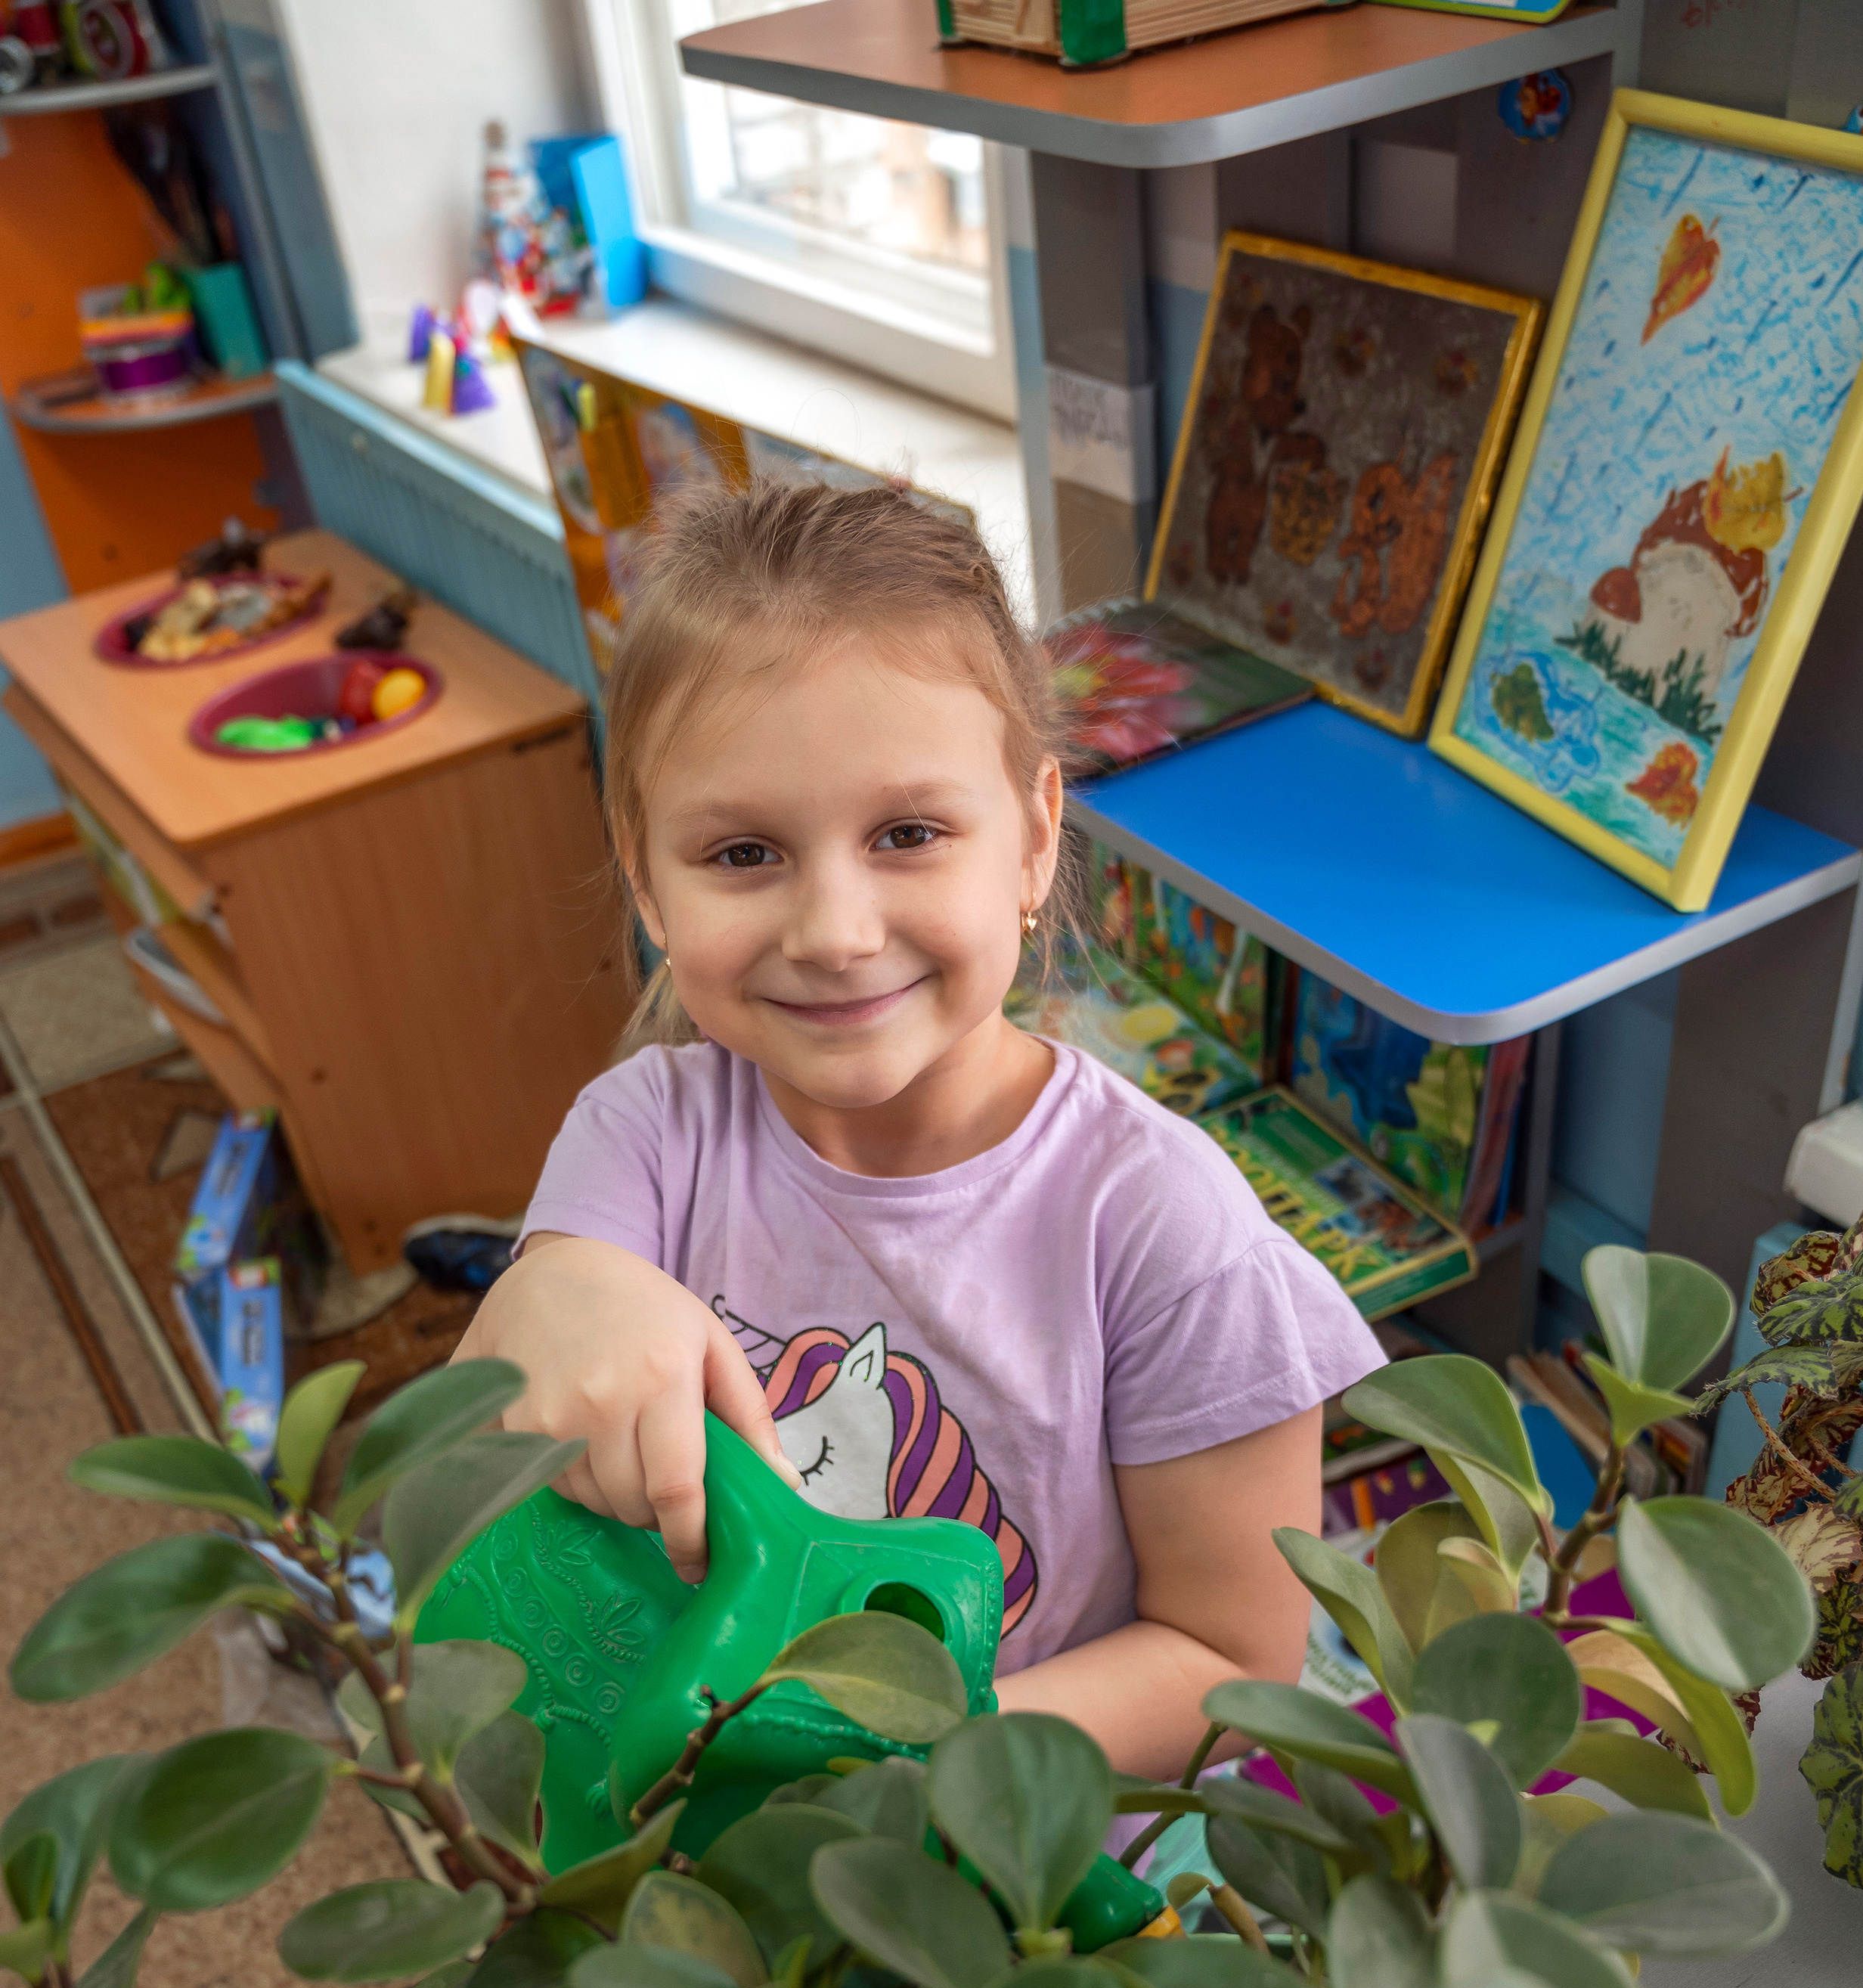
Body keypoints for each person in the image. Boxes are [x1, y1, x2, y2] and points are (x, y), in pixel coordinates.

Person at [454, 479, 1385, 1779]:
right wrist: (552, 1292)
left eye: (908, 833)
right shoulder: (646, 1133)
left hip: (1025, 1885)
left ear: (1034, 838)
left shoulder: (1163, 1228)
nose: (835, 931)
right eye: (742, 855)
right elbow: (532, 1333)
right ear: (645, 878)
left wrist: (908, 1755)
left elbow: (1234, 1661)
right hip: (693, 1833)